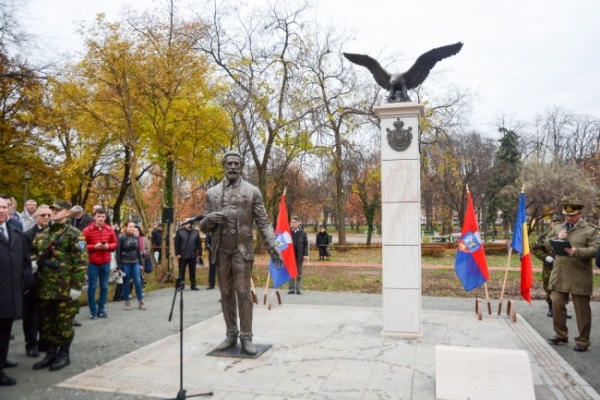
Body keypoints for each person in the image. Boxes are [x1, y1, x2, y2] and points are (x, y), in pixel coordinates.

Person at [200, 151, 282, 355]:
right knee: (225, 292)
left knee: (243, 292)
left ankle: (246, 336)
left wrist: (272, 245)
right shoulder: (212, 193)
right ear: (224, 166)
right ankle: (231, 333)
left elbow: (263, 220)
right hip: (221, 251)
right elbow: (203, 225)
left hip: (242, 250)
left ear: (242, 166)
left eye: (237, 163)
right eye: (229, 163)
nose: (233, 166)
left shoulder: (252, 191)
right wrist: (210, 220)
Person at [31, 199, 87, 371]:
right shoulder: (42, 233)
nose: (53, 212)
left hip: (64, 287)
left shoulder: (75, 234)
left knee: (64, 322)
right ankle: (51, 352)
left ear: (67, 212)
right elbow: (33, 251)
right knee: (47, 323)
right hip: (45, 286)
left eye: (57, 209)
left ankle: (64, 353)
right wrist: (33, 262)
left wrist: (77, 286)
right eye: (52, 209)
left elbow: (82, 261)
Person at [545, 203, 600, 352]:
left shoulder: (589, 230)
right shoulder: (558, 228)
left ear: (580, 214)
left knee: (581, 310)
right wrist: (557, 237)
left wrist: (577, 251)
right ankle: (561, 334)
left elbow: (596, 249)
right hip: (560, 272)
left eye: (572, 215)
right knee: (556, 303)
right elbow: (546, 243)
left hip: (579, 273)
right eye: (566, 215)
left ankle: (583, 340)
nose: (568, 218)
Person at [0, 197, 33, 385]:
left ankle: (1, 362)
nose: (2, 210)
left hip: (11, 293)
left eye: (5, 207)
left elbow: (25, 261)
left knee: (5, 332)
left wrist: (26, 282)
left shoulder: (15, 232)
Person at [23, 204, 52, 358]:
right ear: (36, 217)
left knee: (45, 313)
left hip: (49, 280)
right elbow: (24, 256)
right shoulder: (28, 235)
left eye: (49, 215)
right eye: (43, 215)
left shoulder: (54, 234)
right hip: (33, 280)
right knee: (31, 315)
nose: (46, 218)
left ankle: (44, 342)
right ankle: (31, 344)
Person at [82, 207, 117, 319]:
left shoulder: (109, 229)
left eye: (103, 216)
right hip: (93, 262)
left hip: (106, 262)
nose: (101, 218)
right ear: (94, 217)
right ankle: (93, 311)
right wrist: (94, 247)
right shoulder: (87, 230)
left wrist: (108, 246)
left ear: (105, 217)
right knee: (92, 287)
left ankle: (101, 309)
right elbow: (81, 246)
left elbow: (115, 243)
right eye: (98, 216)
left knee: (104, 286)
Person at [531, 215, 568, 318]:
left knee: (563, 287)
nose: (556, 225)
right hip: (549, 267)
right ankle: (551, 308)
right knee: (549, 287)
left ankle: (562, 310)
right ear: (551, 224)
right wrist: (546, 257)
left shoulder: (566, 235)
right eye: (554, 222)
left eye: (558, 223)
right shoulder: (545, 236)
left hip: (563, 266)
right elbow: (535, 248)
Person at [116, 221, 145, 310]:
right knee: (126, 282)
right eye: (130, 226)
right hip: (125, 263)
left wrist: (141, 263)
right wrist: (119, 267)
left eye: (133, 226)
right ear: (126, 227)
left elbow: (138, 252)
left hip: (135, 262)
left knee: (138, 282)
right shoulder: (121, 237)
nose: (132, 228)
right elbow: (118, 253)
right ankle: (127, 302)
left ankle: (141, 301)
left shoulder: (136, 238)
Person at [175, 221, 202, 290]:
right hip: (182, 255)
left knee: (193, 271)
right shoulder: (180, 232)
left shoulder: (195, 232)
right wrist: (177, 253)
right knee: (181, 271)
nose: (188, 225)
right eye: (186, 224)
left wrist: (199, 253)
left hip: (192, 255)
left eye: (189, 223)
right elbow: (177, 243)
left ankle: (193, 285)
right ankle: (181, 285)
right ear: (184, 225)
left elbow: (199, 243)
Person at [288, 216, 308, 294]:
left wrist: (305, 254)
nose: (293, 224)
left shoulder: (303, 233)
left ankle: (298, 289)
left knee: (299, 273)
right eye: (292, 222)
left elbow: (306, 244)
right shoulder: (288, 232)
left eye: (295, 222)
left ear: (298, 223)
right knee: (291, 272)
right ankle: (291, 288)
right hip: (290, 256)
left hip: (299, 255)